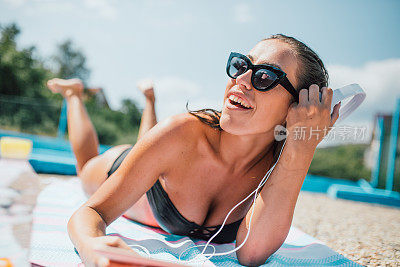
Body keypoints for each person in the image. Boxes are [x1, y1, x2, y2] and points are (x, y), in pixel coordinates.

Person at [48, 34, 340, 266]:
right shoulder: (182, 133)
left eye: (264, 77)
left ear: (299, 107)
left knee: (149, 141)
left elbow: (252, 254)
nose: (241, 80)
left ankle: (148, 104)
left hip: (162, 155)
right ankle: (74, 95)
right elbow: (91, 212)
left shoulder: (281, 167)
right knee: (85, 165)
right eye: (241, 65)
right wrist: (92, 246)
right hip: (118, 165)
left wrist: (302, 146)